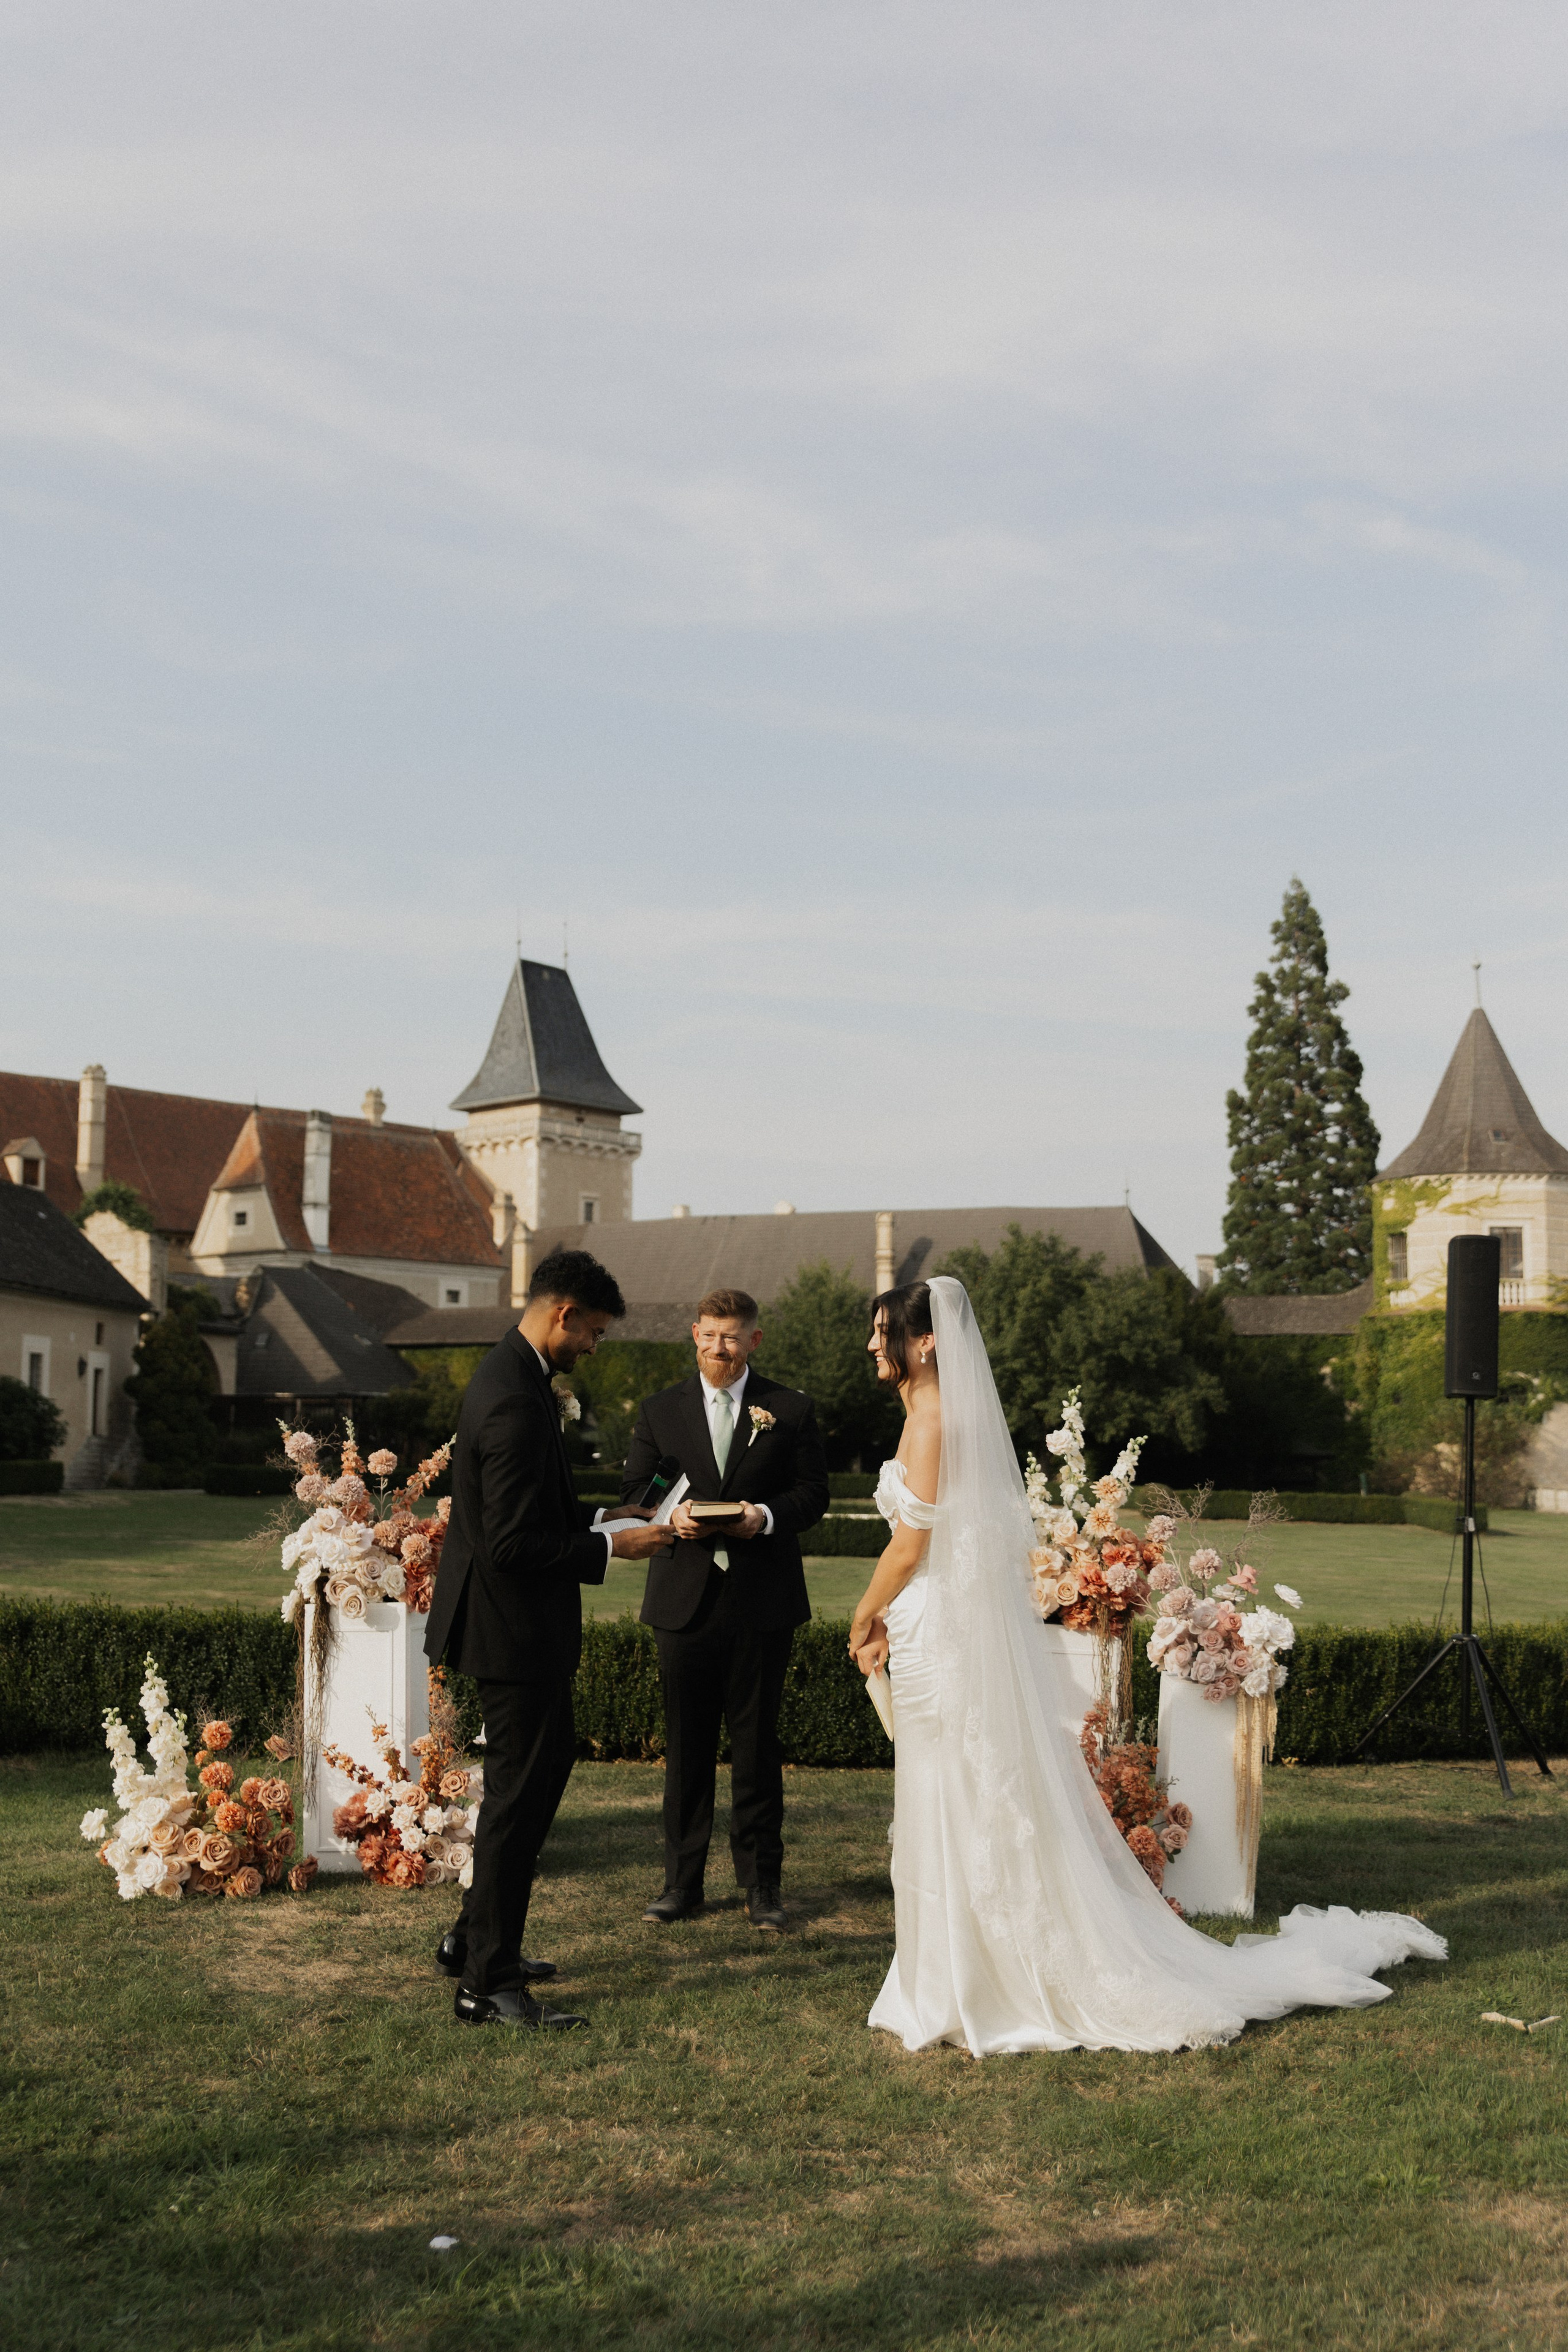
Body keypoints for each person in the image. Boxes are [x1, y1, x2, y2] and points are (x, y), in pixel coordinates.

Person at [847, 1275, 1447, 2056]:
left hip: (935, 1626)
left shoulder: (930, 1424)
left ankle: (981, 1978)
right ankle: (951, 1972)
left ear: (925, 1342)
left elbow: (909, 1545)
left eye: (883, 1330)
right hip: (931, 1625)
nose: (871, 1344)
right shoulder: (926, 1416)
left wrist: (863, 1612)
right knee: (944, 1787)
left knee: (958, 1785)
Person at [424, 1246, 673, 2030]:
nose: (596, 1347)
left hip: (514, 1628)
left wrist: (603, 1520)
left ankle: (474, 1939)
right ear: (562, 1313)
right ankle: (487, 1984)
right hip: (510, 1631)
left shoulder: (520, 1377)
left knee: (540, 1774)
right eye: (594, 1332)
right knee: (515, 1799)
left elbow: (529, 1514)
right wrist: (610, 1551)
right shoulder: (512, 1398)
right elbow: (507, 1546)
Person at [621, 1286, 829, 1928]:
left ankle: (762, 1887)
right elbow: (640, 1494)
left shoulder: (789, 1409)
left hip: (761, 1604)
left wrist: (762, 1517)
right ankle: (681, 1885)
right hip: (683, 1601)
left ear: (753, 1341)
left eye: (732, 1336)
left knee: (757, 1750)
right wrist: (670, 1514)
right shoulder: (661, 1411)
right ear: (694, 1334)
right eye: (710, 1335)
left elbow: (812, 1496)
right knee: (685, 1751)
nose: (720, 1347)